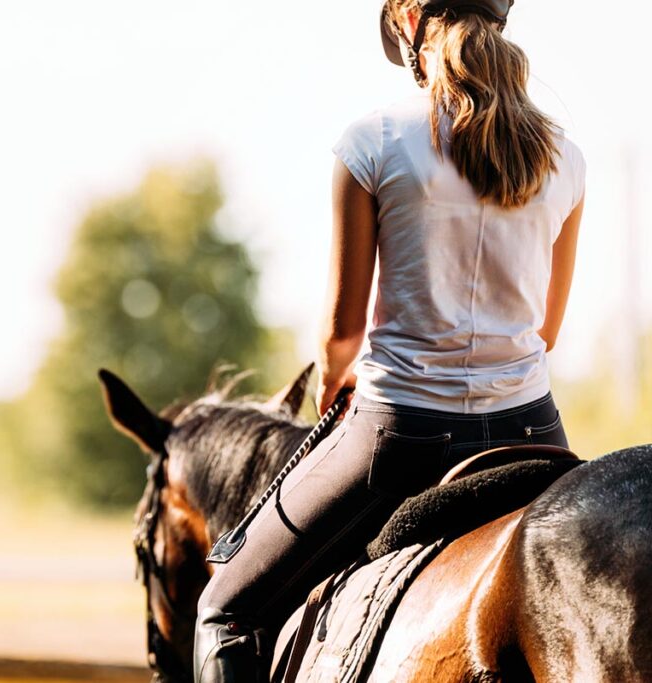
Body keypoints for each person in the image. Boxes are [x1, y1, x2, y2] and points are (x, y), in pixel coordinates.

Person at [192, 0, 587, 680]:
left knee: (226, 609)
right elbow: (544, 332)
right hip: (533, 430)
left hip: (400, 437)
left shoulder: (371, 142)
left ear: (407, 21)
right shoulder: (566, 157)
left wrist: (333, 379)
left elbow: (342, 332)